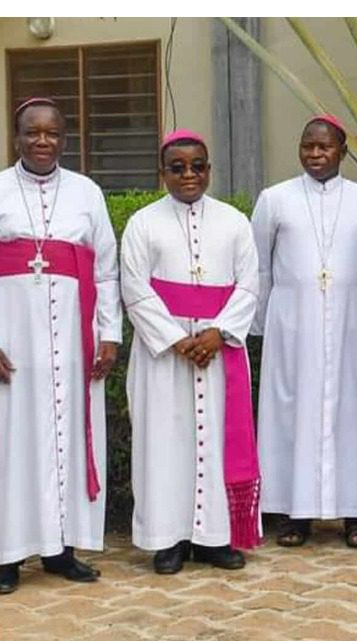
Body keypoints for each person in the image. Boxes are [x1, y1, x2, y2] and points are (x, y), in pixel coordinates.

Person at [0, 97, 122, 594]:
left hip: (75, 339)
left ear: (64, 138)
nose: (42, 141)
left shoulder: (86, 192)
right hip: (11, 341)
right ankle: (8, 557)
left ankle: (62, 551)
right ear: (17, 137)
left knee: (67, 438)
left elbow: (106, 269)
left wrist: (110, 334)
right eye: (32, 132)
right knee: (10, 440)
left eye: (52, 133)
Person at [250, 115, 357, 549]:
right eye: (308, 146)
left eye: (325, 147)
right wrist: (259, 329)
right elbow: (258, 266)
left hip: (353, 325)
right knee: (289, 414)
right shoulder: (274, 199)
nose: (315, 154)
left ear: (342, 151)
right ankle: (294, 514)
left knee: (354, 415)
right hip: (290, 325)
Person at [120, 129, 261, 573]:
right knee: (163, 442)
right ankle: (168, 539)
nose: (188, 175)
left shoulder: (234, 221)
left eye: (197, 166)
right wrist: (177, 339)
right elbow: (134, 289)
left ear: (209, 170)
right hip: (164, 356)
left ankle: (214, 538)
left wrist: (218, 334)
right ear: (162, 173)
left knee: (217, 441)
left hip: (218, 352)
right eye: (177, 167)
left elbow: (250, 285)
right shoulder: (144, 222)